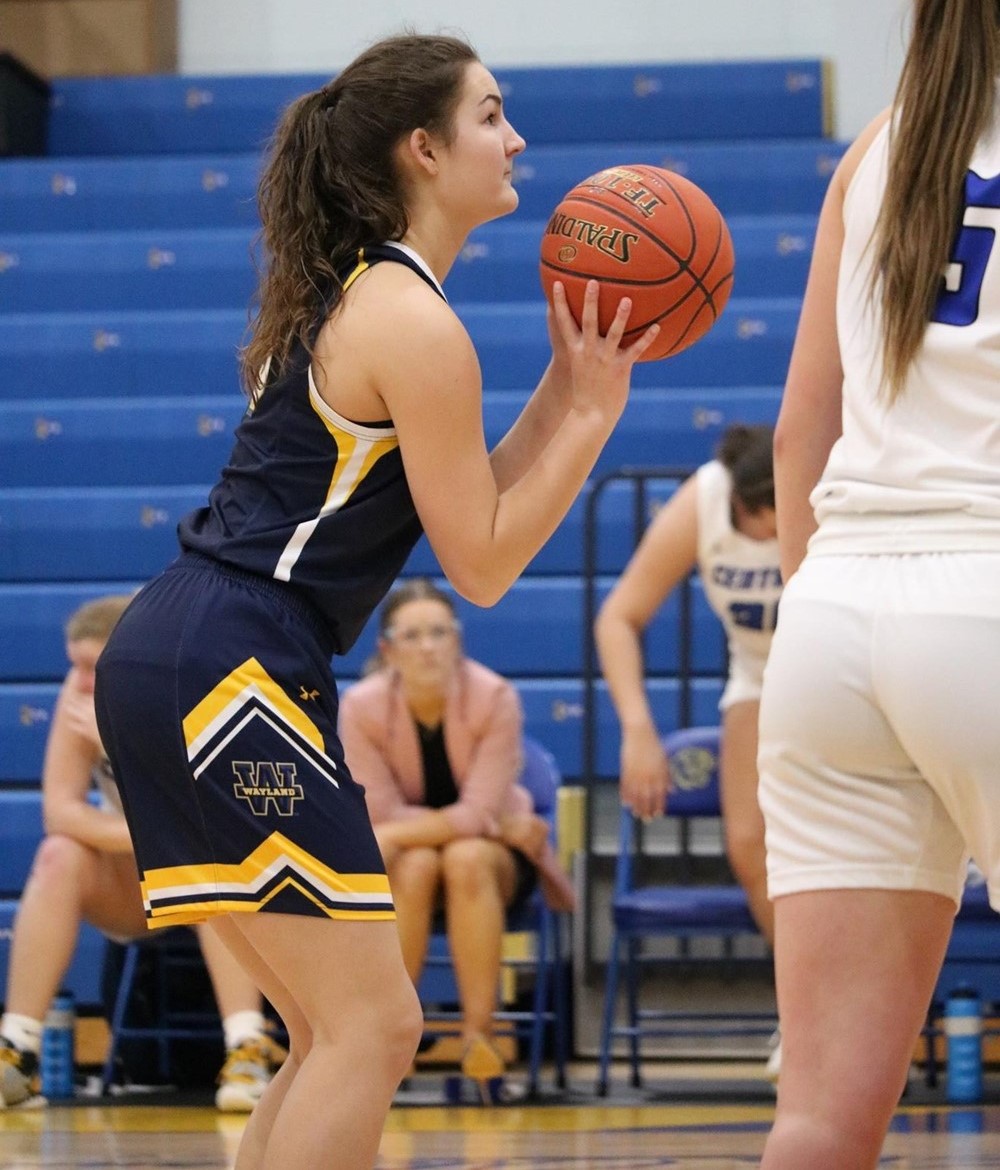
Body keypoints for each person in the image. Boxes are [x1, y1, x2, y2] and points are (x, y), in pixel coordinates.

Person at [93, 33, 657, 1170]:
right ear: (423, 148)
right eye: (492, 115)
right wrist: (591, 420)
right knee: (376, 1023)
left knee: (326, 1030)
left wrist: (567, 390)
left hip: (191, 645)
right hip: (230, 655)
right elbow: (484, 564)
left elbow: (475, 498)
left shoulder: (366, 297)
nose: (517, 140)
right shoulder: (414, 321)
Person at [755, 2, 1000, 1165]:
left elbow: (799, 432)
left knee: (818, 1119)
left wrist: (823, 612)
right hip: (985, 592)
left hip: (833, 617)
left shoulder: (881, 144)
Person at [0, 595, 284, 1112]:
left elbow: (212, 822)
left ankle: (248, 1049)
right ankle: (17, 1051)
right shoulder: (79, 695)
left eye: (92, 666)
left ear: (133, 655)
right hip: (143, 878)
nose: (81, 681)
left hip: (233, 880)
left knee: (207, 865)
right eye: (75, 664)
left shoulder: (194, 688)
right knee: (59, 855)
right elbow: (61, 813)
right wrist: (156, 835)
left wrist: (117, 744)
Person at [593, 423, 782, 1073]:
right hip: (759, 676)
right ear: (743, 503)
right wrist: (638, 729)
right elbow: (619, 615)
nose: (772, 537)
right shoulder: (705, 497)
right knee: (748, 845)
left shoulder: (821, 486)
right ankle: (811, 1017)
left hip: (841, 673)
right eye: (765, 522)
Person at [338, 579, 574, 1096]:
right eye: (413, 635)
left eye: (440, 632)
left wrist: (412, 831)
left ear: (458, 640)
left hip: (496, 857)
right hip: (411, 862)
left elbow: (473, 816)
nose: (428, 646)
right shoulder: (360, 707)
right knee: (420, 863)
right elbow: (376, 808)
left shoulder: (496, 697)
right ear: (387, 649)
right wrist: (423, 831)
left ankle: (479, 1039)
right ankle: (389, 1043)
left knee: (464, 856)